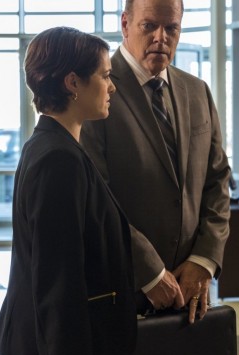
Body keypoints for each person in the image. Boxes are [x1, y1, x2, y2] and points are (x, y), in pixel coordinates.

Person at [0, 27, 137, 355]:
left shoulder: (56, 147)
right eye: (104, 76)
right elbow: (57, 279)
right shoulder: (58, 159)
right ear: (73, 83)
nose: (111, 87)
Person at [81, 0, 230, 328]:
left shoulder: (198, 92)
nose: (161, 37)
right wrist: (151, 273)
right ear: (125, 24)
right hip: (124, 290)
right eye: (149, 26)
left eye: (171, 28)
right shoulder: (95, 91)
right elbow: (96, 197)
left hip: (192, 293)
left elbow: (218, 180)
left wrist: (204, 259)